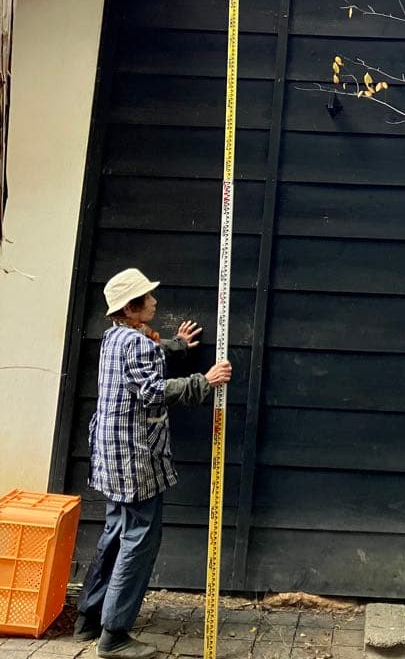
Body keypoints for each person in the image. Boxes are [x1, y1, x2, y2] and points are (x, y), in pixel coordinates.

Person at [73, 268, 231, 659]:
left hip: (110, 455)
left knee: (115, 532)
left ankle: (88, 619)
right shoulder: (137, 344)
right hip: (135, 457)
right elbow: (152, 391)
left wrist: (177, 345)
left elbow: (145, 356)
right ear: (131, 307)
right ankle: (114, 635)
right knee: (140, 540)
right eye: (148, 297)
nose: (155, 301)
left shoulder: (114, 338)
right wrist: (204, 381)